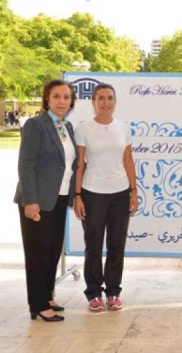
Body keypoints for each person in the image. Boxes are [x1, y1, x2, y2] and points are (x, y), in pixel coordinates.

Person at [13, 80, 78, 322]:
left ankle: (48, 295)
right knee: (37, 253)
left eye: (66, 97)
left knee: (51, 251)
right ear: (47, 99)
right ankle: (38, 304)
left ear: (71, 102)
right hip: (37, 200)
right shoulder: (35, 124)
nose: (62, 101)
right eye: (56, 96)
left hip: (60, 198)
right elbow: (26, 164)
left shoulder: (67, 126)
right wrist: (30, 200)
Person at [74, 83, 138, 312]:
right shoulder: (84, 129)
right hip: (92, 193)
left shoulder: (123, 128)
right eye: (101, 98)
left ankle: (113, 292)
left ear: (115, 101)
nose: (105, 102)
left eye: (110, 98)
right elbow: (80, 164)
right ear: (93, 101)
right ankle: (93, 293)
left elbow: (128, 161)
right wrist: (78, 195)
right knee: (93, 246)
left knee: (116, 245)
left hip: (120, 193)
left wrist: (133, 191)